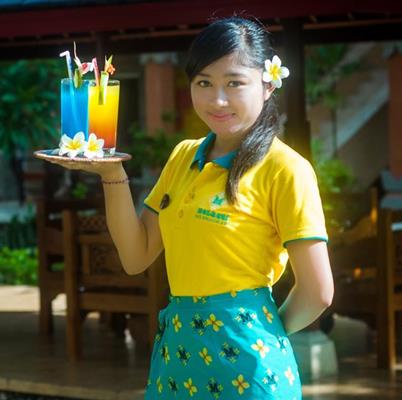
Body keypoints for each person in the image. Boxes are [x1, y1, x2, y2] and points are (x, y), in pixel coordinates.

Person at [45, 16, 333, 399]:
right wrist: (111, 172)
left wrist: (260, 331)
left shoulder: (286, 169)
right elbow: (136, 256)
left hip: (250, 368)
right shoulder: (183, 157)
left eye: (234, 83)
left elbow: (318, 292)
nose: (217, 100)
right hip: (178, 356)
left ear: (268, 85)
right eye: (204, 83)